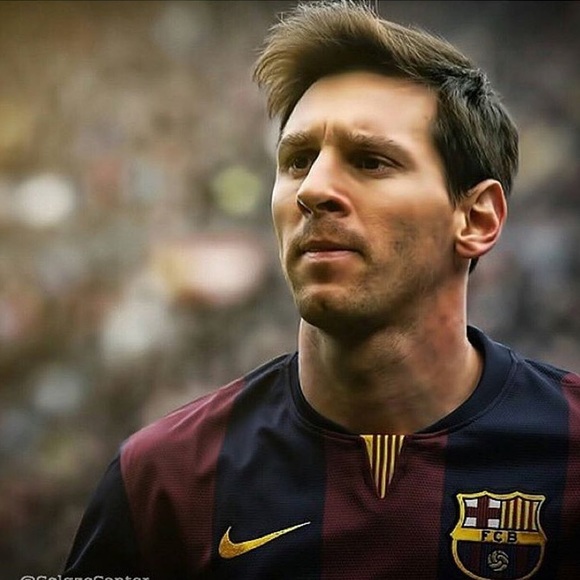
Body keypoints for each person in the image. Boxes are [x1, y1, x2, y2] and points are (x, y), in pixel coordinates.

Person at [62, 1, 580, 578]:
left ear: (477, 218)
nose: (313, 189)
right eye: (297, 160)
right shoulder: (163, 481)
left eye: (371, 161)